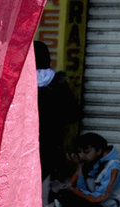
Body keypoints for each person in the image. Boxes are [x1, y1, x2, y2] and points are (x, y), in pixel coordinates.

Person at [35, 41, 80, 181]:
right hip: (53, 142)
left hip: (29, 142)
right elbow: (73, 114)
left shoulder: (22, 82)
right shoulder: (58, 83)